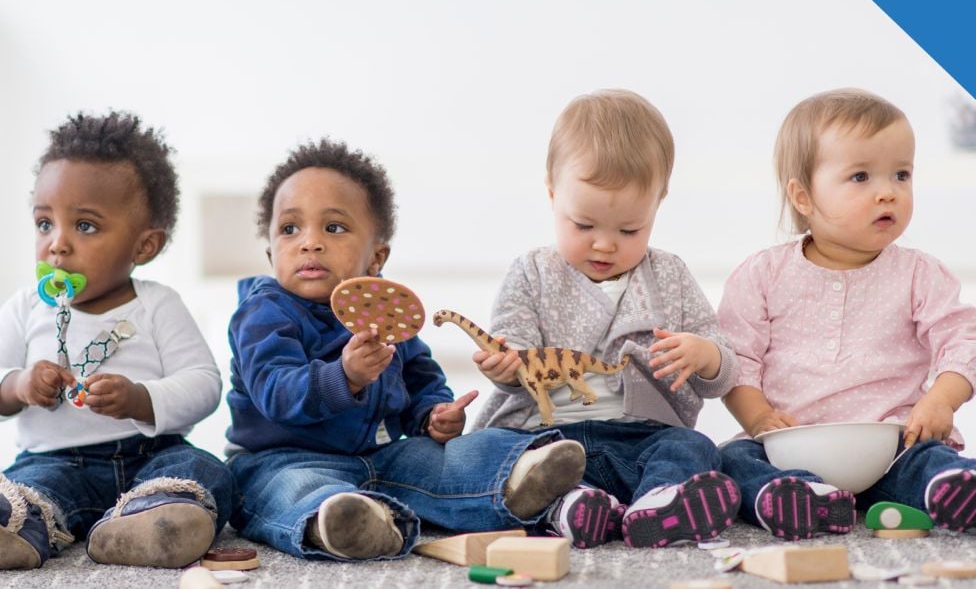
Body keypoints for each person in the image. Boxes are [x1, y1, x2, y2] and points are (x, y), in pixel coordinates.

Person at [225, 139, 586, 562]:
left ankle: (515, 478)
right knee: (288, 489)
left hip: (380, 456)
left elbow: (419, 375)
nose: (309, 243)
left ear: (376, 257)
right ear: (271, 253)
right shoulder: (263, 313)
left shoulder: (384, 312)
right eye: (290, 229)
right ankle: (342, 521)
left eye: (334, 228)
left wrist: (433, 416)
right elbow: (275, 390)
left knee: (441, 458)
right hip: (283, 459)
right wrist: (345, 376)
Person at [472, 90, 741, 549]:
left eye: (629, 230)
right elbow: (512, 351)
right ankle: (571, 506)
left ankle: (658, 503)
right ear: (553, 194)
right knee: (493, 459)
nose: (604, 245)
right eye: (583, 226)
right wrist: (505, 366)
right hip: (547, 437)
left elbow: (720, 378)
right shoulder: (532, 273)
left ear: (659, 203)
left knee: (696, 449)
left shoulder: (670, 275)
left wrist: (706, 356)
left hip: (640, 437)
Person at [719, 88, 976, 540]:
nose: (887, 193)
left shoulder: (919, 274)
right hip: (788, 447)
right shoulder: (762, 274)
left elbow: (964, 338)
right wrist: (758, 418)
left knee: (927, 459)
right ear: (802, 197)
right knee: (731, 461)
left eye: (902, 174)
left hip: (891, 442)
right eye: (861, 177)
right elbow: (737, 359)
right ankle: (798, 498)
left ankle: (949, 489)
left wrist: (940, 399)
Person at [0, 112, 235, 569]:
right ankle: (20, 528)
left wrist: (139, 398)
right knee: (26, 491)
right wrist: (19, 385)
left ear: (143, 247)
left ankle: (151, 520)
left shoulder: (157, 304)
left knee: (206, 472)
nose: (57, 245)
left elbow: (205, 383)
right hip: (54, 461)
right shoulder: (27, 306)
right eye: (45, 223)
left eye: (85, 226)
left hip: (152, 455)